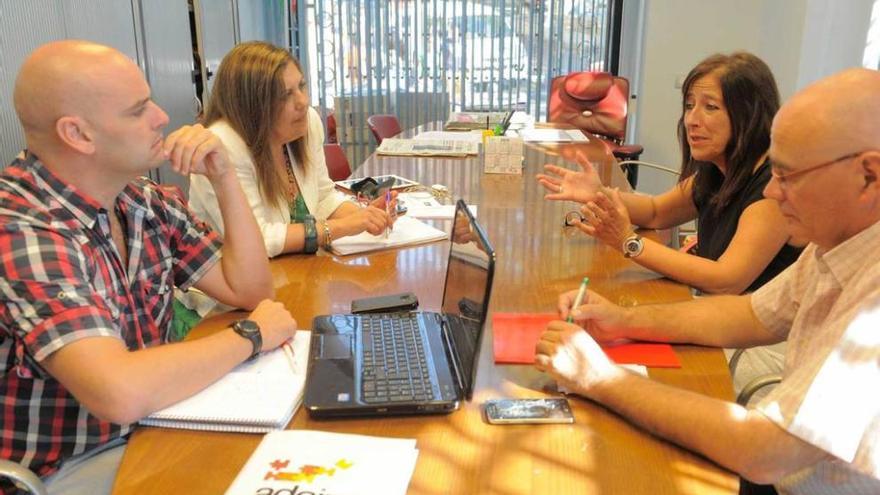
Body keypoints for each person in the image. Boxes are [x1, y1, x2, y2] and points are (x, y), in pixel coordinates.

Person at [536, 68, 880, 494]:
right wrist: (622, 321)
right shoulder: (838, 242)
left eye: (789, 175)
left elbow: (764, 450)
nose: (772, 192)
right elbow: (750, 313)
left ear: (869, 177)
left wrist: (600, 378)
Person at [0, 40, 297, 493]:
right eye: (138, 110)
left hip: (153, 422)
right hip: (64, 467)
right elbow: (118, 392)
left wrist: (223, 176)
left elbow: (251, 289)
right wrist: (251, 336)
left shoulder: (139, 198)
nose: (162, 117)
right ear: (78, 135)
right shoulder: (20, 227)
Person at [537, 52, 802, 295]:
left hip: (753, 341)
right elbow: (656, 212)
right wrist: (598, 194)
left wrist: (629, 241)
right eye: (689, 106)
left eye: (710, 107)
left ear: (749, 115)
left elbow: (727, 279)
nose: (691, 120)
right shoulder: (719, 169)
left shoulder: (772, 187)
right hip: (717, 311)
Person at [188, 41, 394, 258]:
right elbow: (259, 240)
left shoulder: (306, 124)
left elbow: (323, 198)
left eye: (302, 86)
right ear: (251, 105)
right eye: (285, 95)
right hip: (236, 284)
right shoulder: (221, 147)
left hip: (294, 272)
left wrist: (367, 217)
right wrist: (344, 227)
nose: (303, 102)